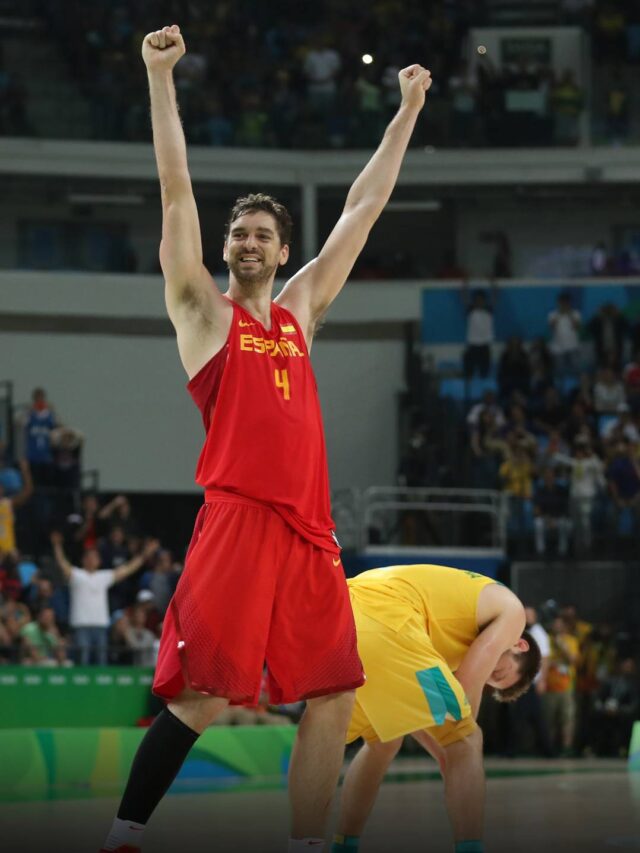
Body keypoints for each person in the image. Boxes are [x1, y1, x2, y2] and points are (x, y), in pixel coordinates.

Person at [100, 24, 433, 853]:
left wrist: (408, 111)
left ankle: (304, 844)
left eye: (261, 235)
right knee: (205, 696)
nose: (247, 241)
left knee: (333, 693)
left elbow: (363, 207)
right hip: (239, 521)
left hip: (310, 534)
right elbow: (176, 190)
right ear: (225, 249)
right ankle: (122, 833)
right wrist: (159, 78)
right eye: (237, 233)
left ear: (284, 252)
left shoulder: (301, 314)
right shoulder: (202, 315)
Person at [331, 564, 540, 853]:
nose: (488, 674)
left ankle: (343, 845)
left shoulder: (447, 636)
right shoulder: (513, 614)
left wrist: (443, 750)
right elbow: (467, 689)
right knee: (466, 739)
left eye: (494, 680)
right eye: (500, 672)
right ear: (519, 645)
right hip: (388, 618)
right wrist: (454, 747)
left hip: (340, 611)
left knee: (382, 739)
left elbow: (411, 711)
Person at [50, 532, 159, 665]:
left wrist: (144, 555)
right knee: (82, 663)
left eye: (95, 557)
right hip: (81, 625)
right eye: (89, 557)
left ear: (99, 561)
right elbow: (63, 565)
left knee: (101, 664)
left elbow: (127, 569)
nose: (91, 559)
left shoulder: (104, 576)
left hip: (100, 626)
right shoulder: (77, 575)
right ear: (83, 559)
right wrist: (57, 546)